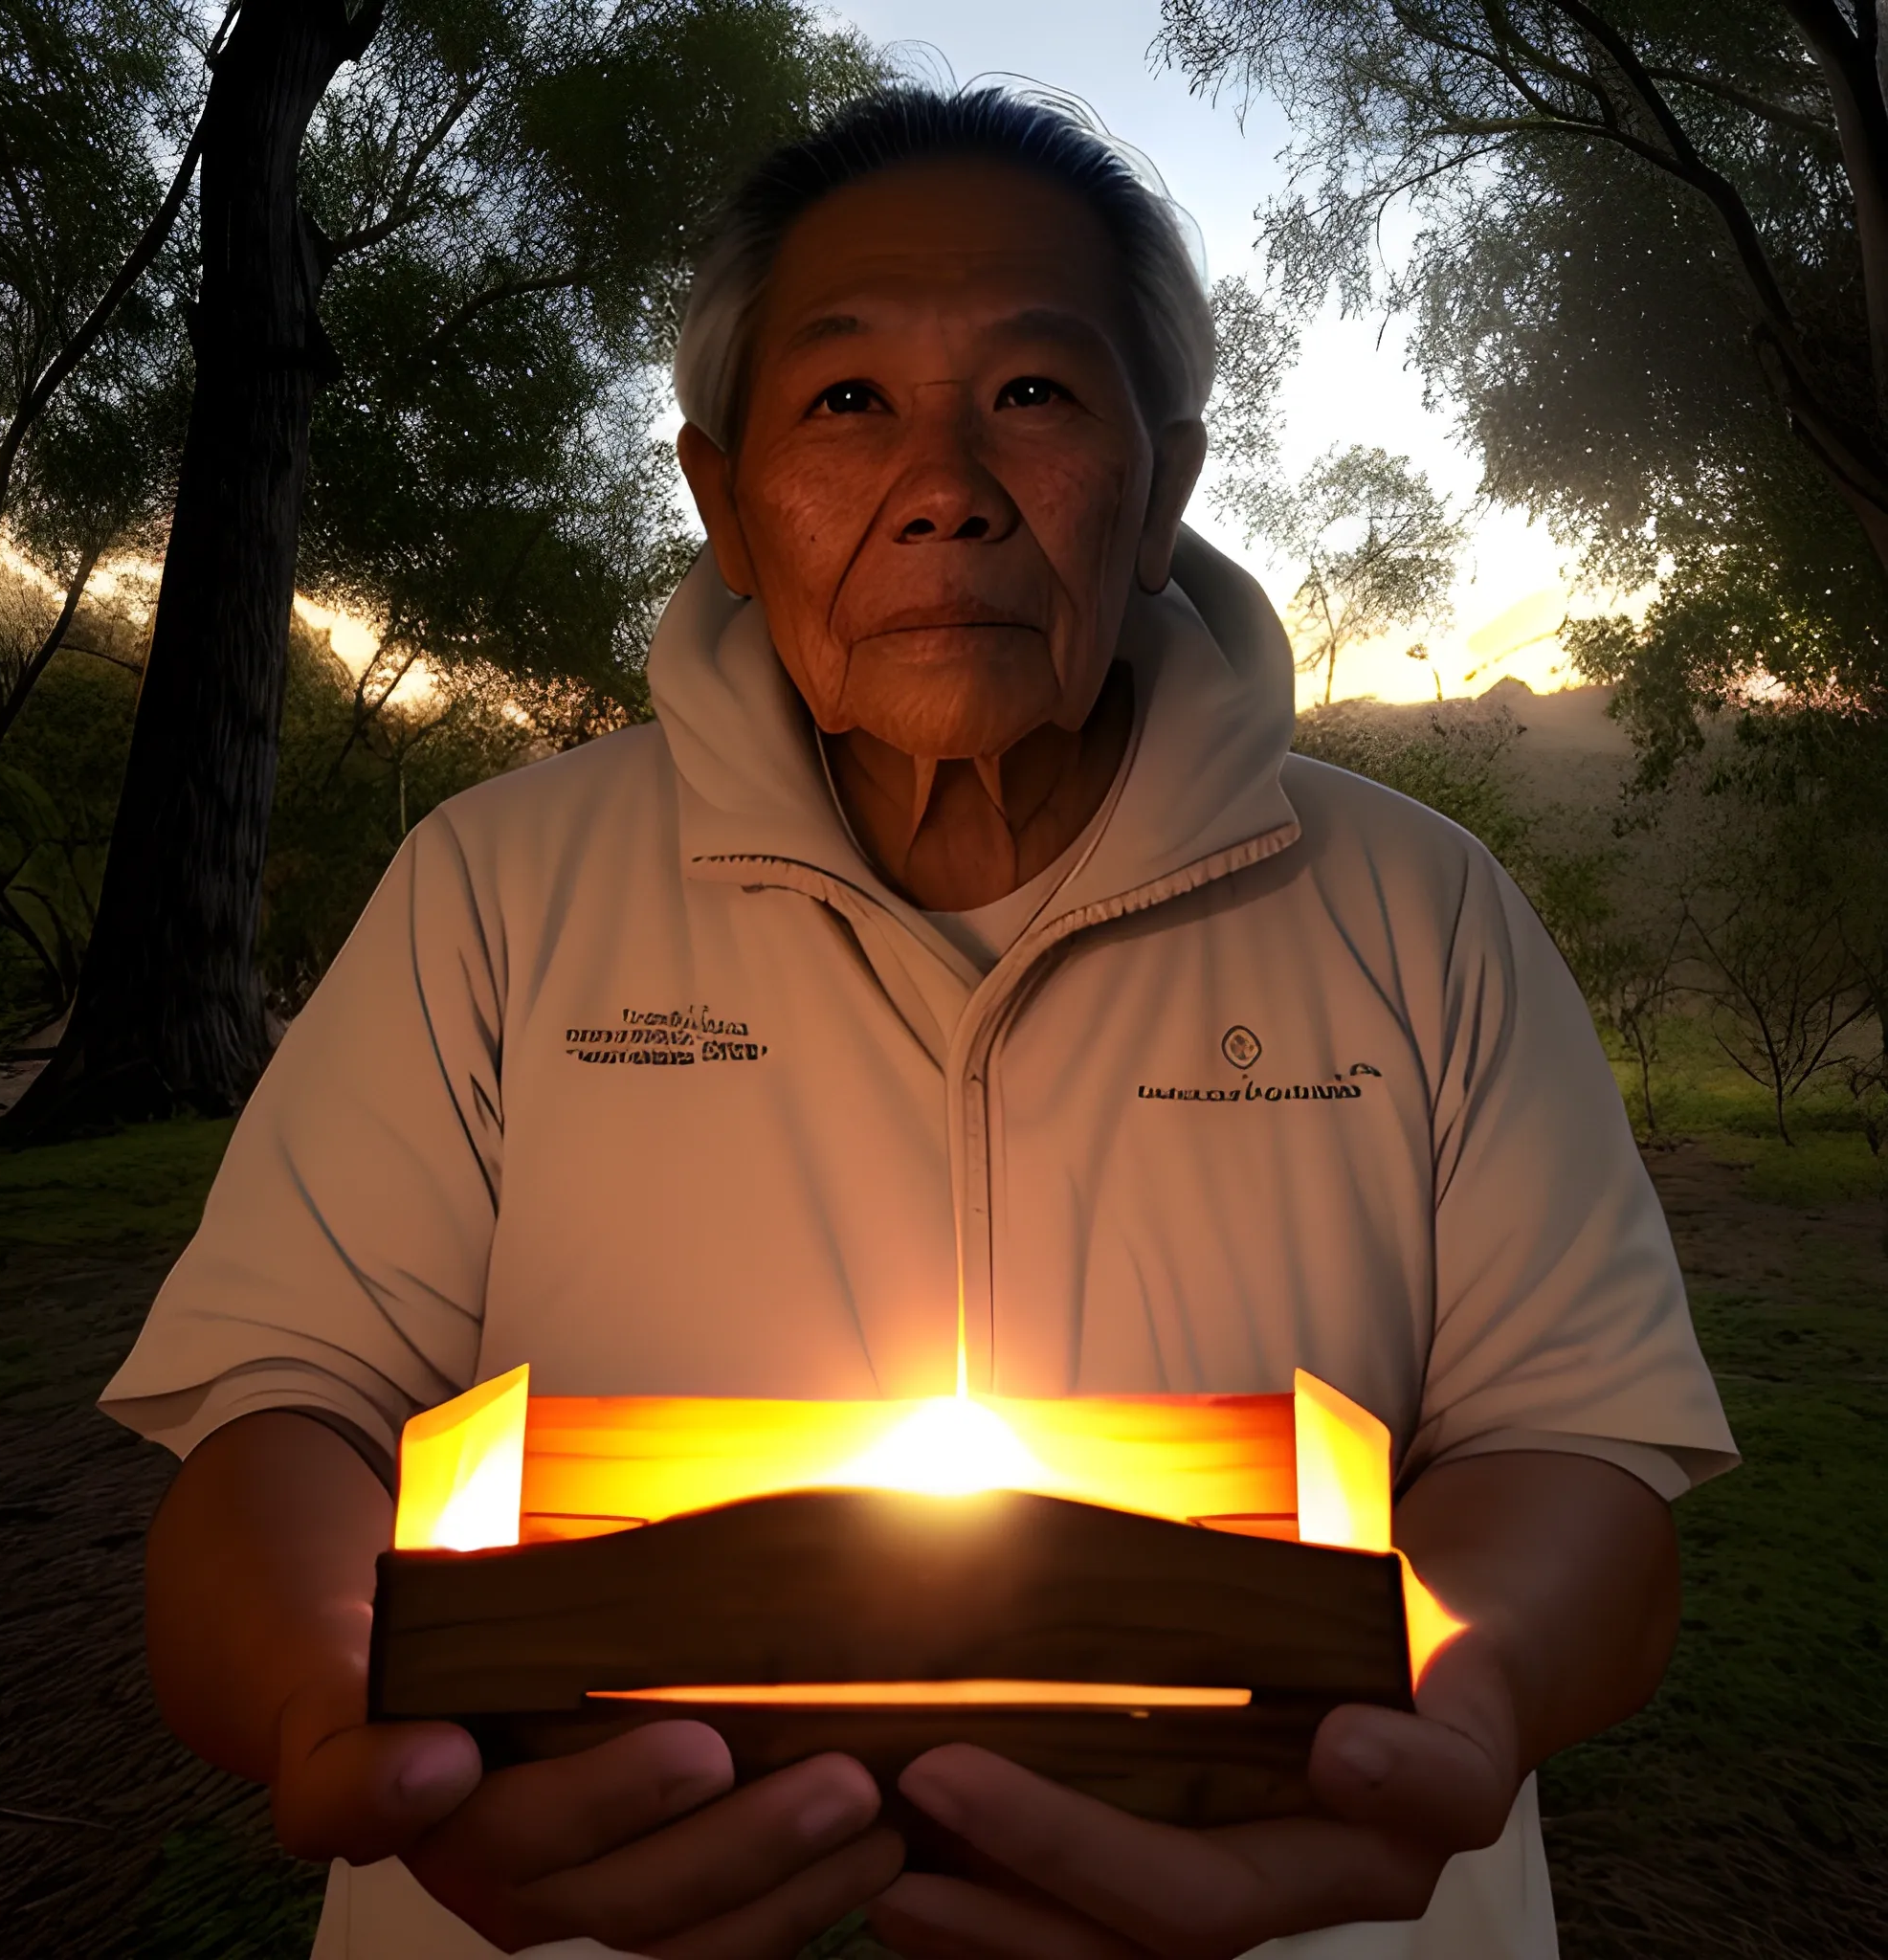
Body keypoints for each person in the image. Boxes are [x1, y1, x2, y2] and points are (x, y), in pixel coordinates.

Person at [105, 86, 1737, 1960]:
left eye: (1035, 395)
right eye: (846, 400)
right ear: (723, 500)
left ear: (1165, 484)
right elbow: (282, 1408)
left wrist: (1459, 1694)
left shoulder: (1420, 909)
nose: (946, 480)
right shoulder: (495, 891)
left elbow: (1574, 1456)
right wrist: (337, 1708)